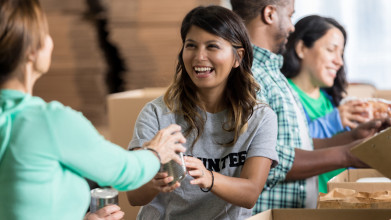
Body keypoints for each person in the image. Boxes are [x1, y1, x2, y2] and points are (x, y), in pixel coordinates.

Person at [0, 0, 186, 219]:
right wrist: (156, 152)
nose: (50, 41)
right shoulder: (49, 121)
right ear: (32, 51)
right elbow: (124, 172)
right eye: (46, 33)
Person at [231, 0, 391, 213]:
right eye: (289, 15)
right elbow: (265, 160)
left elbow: (295, 146)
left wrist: (353, 138)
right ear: (269, 14)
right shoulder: (249, 77)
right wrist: (347, 154)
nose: (292, 26)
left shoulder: (272, 74)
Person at [126, 5, 279, 220]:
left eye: (212, 46)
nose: (199, 57)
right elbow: (134, 196)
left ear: (238, 57)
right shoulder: (157, 113)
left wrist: (209, 177)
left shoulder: (260, 118)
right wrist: (155, 183)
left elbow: (251, 193)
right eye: (191, 46)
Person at [280, 15, 371, 193]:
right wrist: (334, 121)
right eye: (331, 50)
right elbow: (289, 148)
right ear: (301, 48)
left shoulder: (329, 100)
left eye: (341, 53)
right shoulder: (284, 94)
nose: (339, 61)